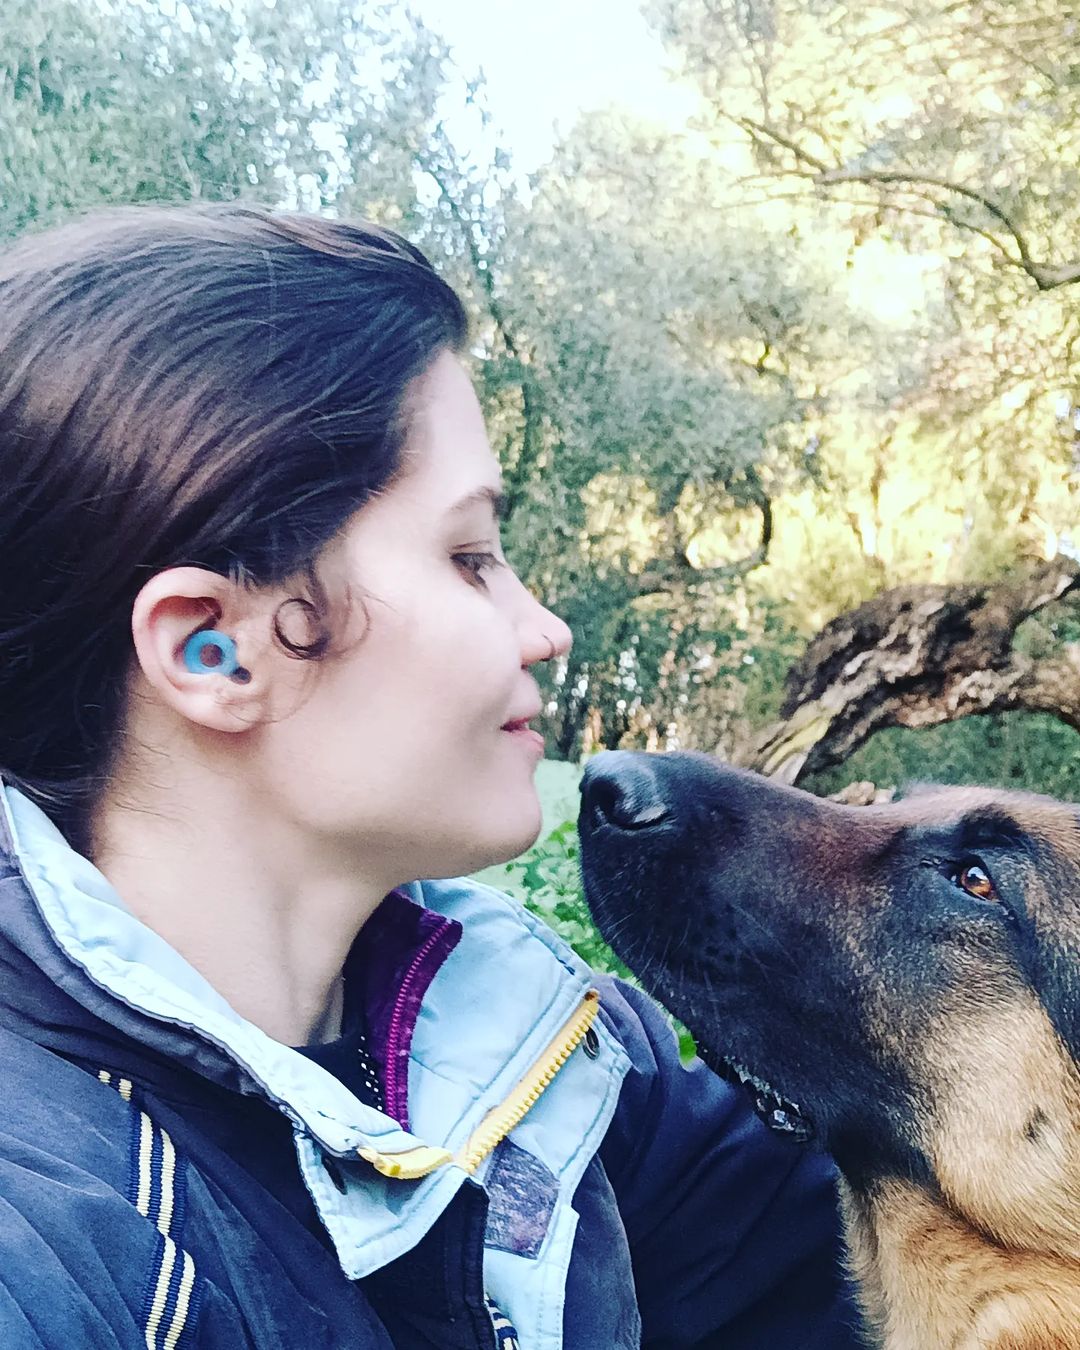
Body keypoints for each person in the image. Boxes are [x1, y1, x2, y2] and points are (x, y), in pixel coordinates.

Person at [0, 206, 866, 1349]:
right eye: (470, 558)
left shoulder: (561, 1063)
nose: (543, 629)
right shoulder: (50, 1245)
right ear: (216, 651)